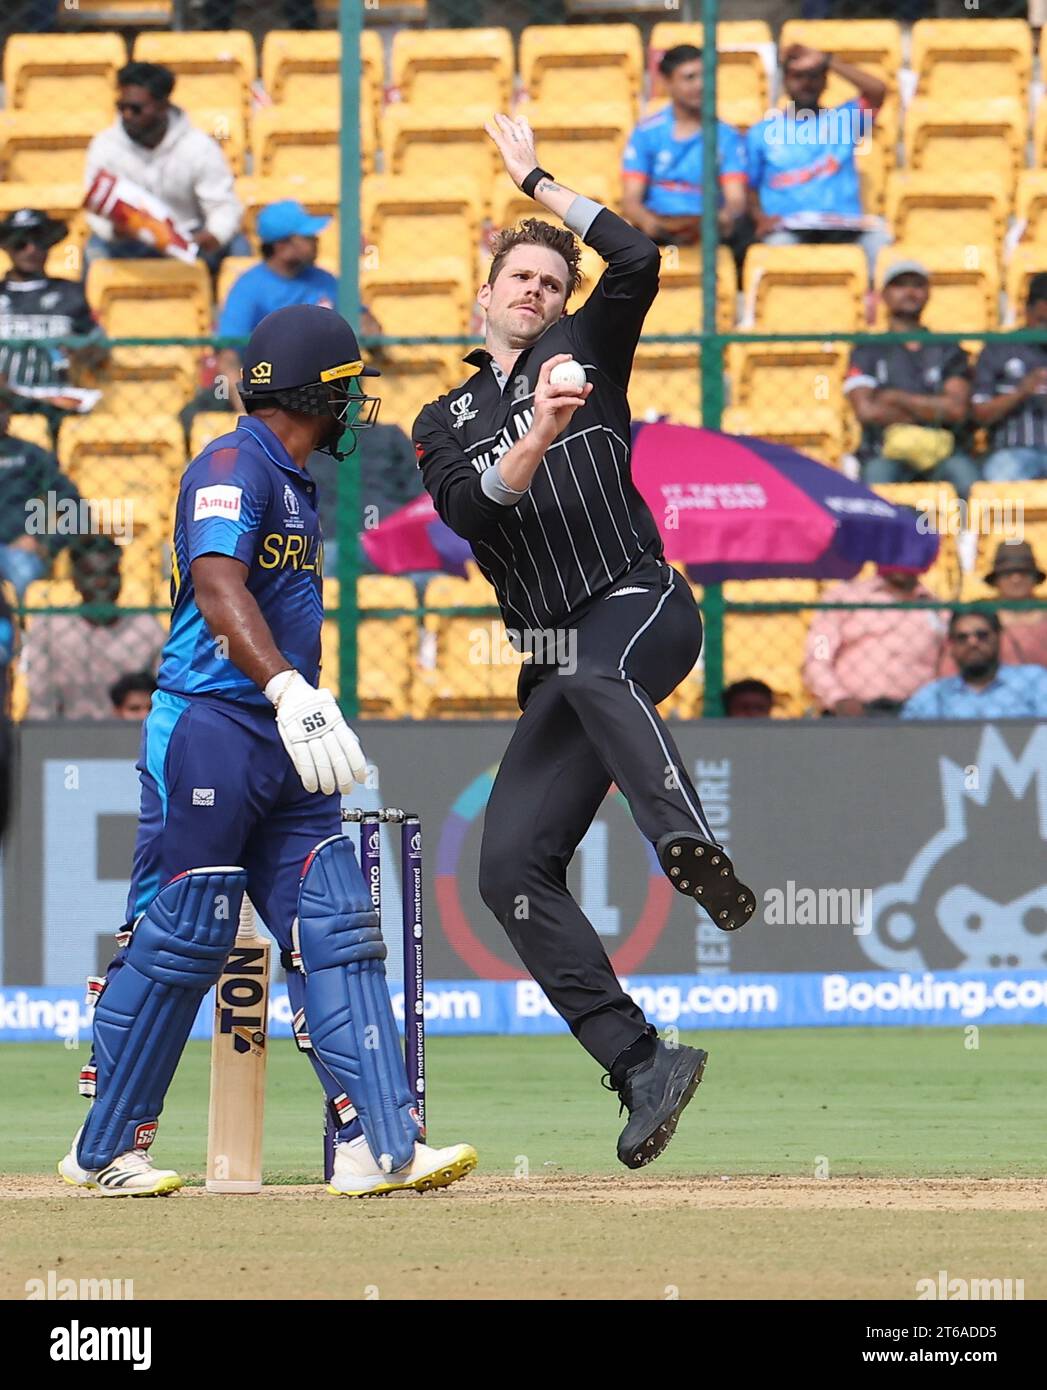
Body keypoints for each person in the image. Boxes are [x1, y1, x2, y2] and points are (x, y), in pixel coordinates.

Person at [58, 304, 476, 1198]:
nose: (353, 405)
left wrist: (297, 706)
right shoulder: (229, 465)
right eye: (345, 388)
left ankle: (379, 1146)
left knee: (336, 927)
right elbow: (216, 585)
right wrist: (288, 689)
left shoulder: (293, 480)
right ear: (312, 392)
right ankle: (106, 1151)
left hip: (286, 733)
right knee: (183, 936)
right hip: (211, 726)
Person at [414, 114, 756, 1172]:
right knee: (509, 865)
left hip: (640, 600)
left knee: (598, 665)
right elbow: (471, 513)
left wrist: (542, 182)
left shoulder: (586, 345)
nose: (537, 292)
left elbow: (642, 255)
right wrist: (541, 432)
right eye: (520, 277)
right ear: (483, 297)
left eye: (550, 282)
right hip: (554, 655)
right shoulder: (440, 416)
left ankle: (687, 844)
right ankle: (641, 1061)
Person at [746, 42, 891, 277]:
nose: (806, 83)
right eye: (798, 76)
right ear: (784, 81)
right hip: (789, 228)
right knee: (778, 248)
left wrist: (827, 59)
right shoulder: (761, 132)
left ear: (825, 81)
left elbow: (878, 91)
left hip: (844, 226)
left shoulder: (845, 121)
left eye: (814, 76)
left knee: (881, 243)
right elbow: (749, 187)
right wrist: (760, 218)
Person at [84, 62, 244, 273]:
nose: (127, 115)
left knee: (239, 246)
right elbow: (96, 207)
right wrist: (113, 230)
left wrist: (213, 234)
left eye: (136, 109)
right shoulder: (105, 145)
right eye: (121, 107)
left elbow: (223, 205)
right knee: (94, 249)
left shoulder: (199, 146)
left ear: (163, 106)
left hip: (189, 236)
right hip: (130, 240)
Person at [843, 260, 977, 498]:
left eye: (917, 285)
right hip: (884, 452)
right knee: (876, 476)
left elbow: (956, 409)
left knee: (967, 477)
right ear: (883, 294)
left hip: (943, 452)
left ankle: (970, 536)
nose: (909, 292)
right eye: (900, 285)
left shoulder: (948, 349)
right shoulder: (867, 350)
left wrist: (894, 398)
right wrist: (932, 409)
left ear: (928, 294)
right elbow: (866, 411)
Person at [621, 45, 747, 256]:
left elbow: (736, 200)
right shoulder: (646, 133)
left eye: (705, 76)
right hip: (657, 231)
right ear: (667, 82)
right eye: (689, 78)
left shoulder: (726, 136)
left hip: (709, 232)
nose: (700, 85)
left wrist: (720, 219)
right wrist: (649, 222)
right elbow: (631, 200)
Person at [216, 201, 339, 414]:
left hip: (320, 389)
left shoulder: (325, 281)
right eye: (307, 237)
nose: (316, 241)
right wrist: (247, 410)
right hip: (265, 391)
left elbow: (361, 323)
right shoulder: (249, 286)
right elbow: (228, 356)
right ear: (281, 247)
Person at [23, 536, 166, 720]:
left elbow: (162, 697)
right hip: (66, 734)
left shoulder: (146, 628)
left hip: (131, 735)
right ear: (75, 580)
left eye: (110, 573)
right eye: (92, 574)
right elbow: (40, 703)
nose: (102, 583)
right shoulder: (50, 628)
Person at [803, 563, 947, 716]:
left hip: (916, 715)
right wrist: (838, 698)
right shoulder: (842, 598)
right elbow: (817, 656)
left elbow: (948, 665)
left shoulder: (939, 610)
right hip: (850, 714)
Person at [0, 210, 104, 391]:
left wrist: (79, 351)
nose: (31, 249)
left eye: (38, 240)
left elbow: (99, 347)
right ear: (6, 246)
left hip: (58, 401)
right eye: (20, 242)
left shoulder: (71, 293)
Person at [0, 376, 81, 598]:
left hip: (15, 552)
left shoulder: (30, 456)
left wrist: (44, 545)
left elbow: (76, 509)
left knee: (22, 572)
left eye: (3, 406)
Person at [902, 610, 1047, 719]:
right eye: (962, 638)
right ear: (951, 646)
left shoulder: (1034, 682)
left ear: (998, 637)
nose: (972, 643)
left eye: (982, 635)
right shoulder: (933, 696)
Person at [972, 274, 1047, 482]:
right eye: (1042, 321)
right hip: (1014, 452)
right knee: (999, 476)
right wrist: (1021, 391)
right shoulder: (999, 349)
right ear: (1027, 310)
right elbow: (980, 414)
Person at [940, 541, 1047, 673]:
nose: (1016, 579)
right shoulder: (976, 616)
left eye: (1023, 572)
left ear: (1035, 578)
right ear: (996, 579)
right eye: (1007, 573)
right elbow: (951, 662)